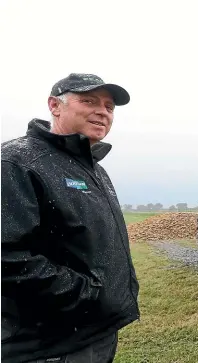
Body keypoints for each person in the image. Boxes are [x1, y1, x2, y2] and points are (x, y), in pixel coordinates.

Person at [1, 73, 140, 362]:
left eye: (109, 106)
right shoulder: (17, 162)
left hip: (96, 333)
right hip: (50, 345)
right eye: (89, 101)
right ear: (55, 105)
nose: (102, 111)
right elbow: (6, 256)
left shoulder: (93, 169)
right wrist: (87, 296)